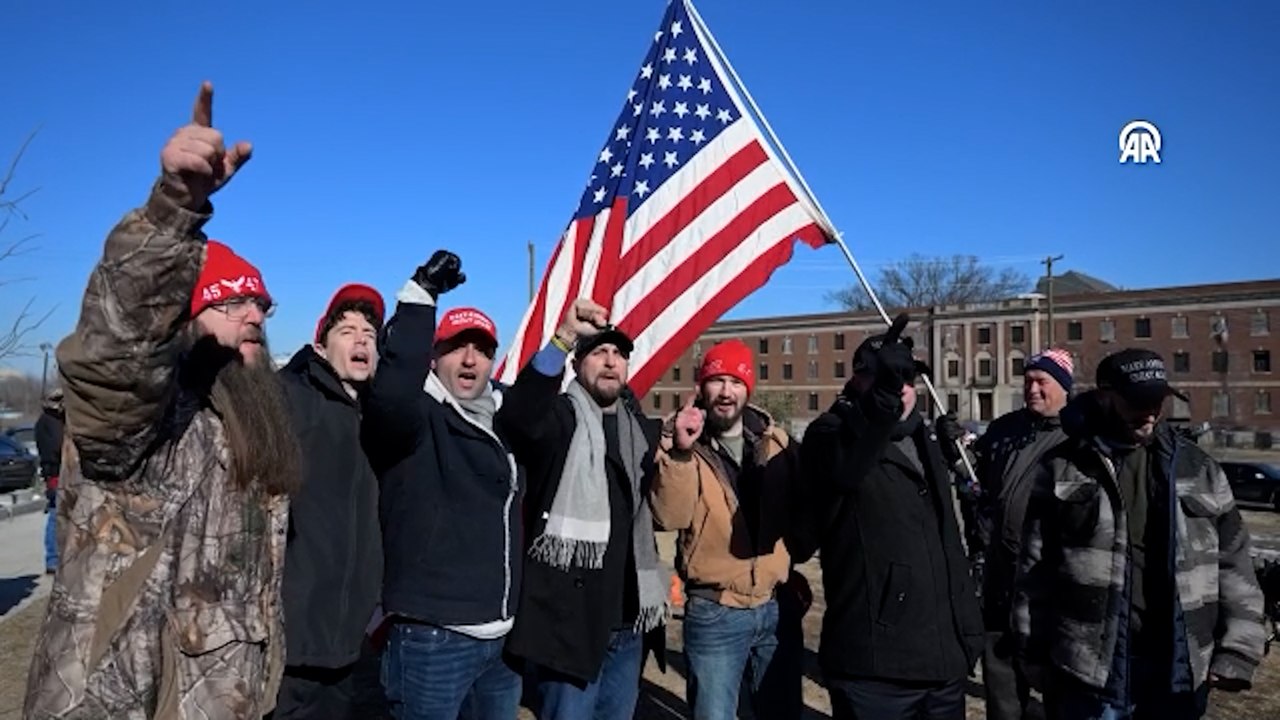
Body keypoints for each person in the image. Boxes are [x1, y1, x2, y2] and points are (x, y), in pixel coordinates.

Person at [24, 82, 301, 719]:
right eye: (229, 302)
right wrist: (175, 208)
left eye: (259, 303)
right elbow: (115, 350)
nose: (253, 315)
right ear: (180, 322)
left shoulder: (256, 424)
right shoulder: (147, 421)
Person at [1015, 349, 1266, 719]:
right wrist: (1032, 653)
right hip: (1088, 672)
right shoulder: (1064, 466)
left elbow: (1234, 563)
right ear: (1104, 395)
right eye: (1137, 401)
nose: (1150, 412)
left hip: (1177, 670)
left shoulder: (1200, 469)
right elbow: (1034, 570)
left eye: (1157, 401)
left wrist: (1238, 650)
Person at [364, 252, 525, 720]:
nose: (470, 358)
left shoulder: (503, 418)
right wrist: (420, 297)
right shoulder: (416, 416)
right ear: (433, 357)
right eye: (456, 346)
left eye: (482, 348)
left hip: (501, 640)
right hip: (433, 640)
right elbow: (393, 390)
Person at [798, 314, 982, 720]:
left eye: (907, 378)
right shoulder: (828, 433)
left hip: (944, 660)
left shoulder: (927, 437)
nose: (901, 389)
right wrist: (877, 413)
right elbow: (845, 470)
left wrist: (967, 633)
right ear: (859, 379)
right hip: (875, 667)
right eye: (886, 377)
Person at [497, 299, 666, 720]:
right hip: (570, 625)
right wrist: (564, 337)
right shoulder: (559, 419)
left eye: (618, 354)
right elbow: (518, 417)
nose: (610, 362)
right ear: (577, 365)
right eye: (598, 352)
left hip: (628, 622)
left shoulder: (640, 432)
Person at [651, 339, 809, 719]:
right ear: (701, 387)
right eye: (716, 380)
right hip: (715, 612)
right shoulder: (678, 446)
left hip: (775, 607)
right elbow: (669, 516)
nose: (726, 391)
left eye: (735, 382)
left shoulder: (777, 442)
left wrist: (792, 568)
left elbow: (802, 511)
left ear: (748, 388)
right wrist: (681, 453)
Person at [273, 283, 386, 719]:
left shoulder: (380, 414)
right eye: (347, 330)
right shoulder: (290, 398)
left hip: (352, 638)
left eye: (370, 334)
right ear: (320, 346)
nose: (361, 339)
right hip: (294, 635)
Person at [950, 349, 1072, 720]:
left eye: (1042, 382)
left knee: (1059, 688)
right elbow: (976, 480)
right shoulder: (1005, 428)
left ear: (1065, 386)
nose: (1032, 390)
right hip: (1001, 575)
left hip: (1053, 585)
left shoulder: (1079, 434)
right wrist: (955, 451)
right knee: (1002, 686)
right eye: (1028, 381)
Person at [35, 388, 65, 574]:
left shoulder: (62, 420)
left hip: (64, 472)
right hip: (55, 472)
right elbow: (55, 447)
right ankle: (52, 558)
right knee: (55, 514)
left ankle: (62, 557)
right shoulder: (47, 421)